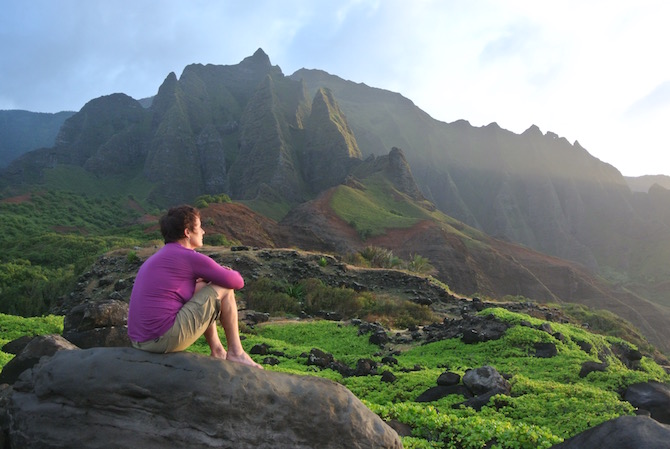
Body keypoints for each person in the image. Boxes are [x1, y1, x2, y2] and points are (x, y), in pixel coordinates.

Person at [127, 204, 261, 368]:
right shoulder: (188, 257)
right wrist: (226, 273)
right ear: (187, 232)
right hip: (162, 339)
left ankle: (218, 350)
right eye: (199, 227)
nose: (204, 231)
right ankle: (236, 352)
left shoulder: (159, 256)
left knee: (202, 287)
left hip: (140, 341)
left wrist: (203, 280)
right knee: (224, 287)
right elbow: (237, 282)